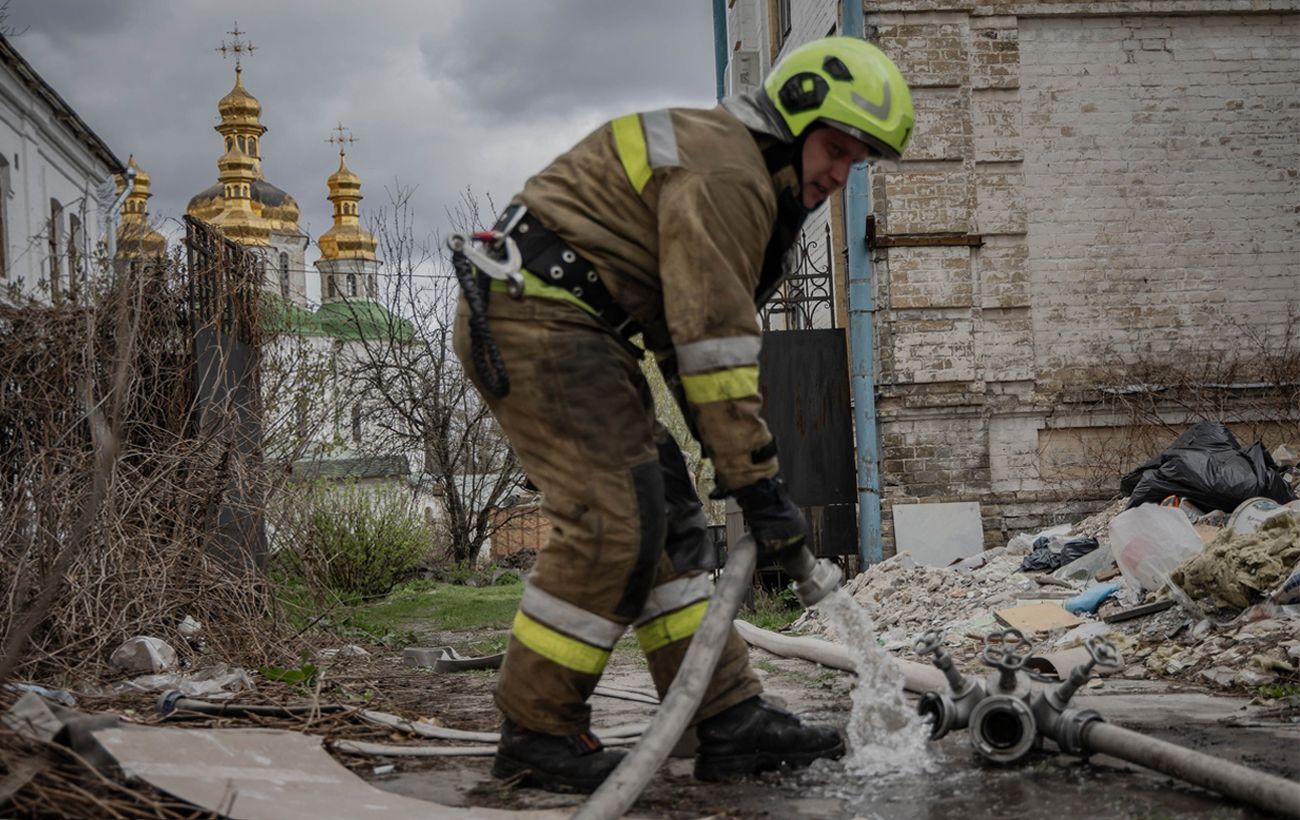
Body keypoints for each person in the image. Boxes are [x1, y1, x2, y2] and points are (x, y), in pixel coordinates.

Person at [453, 36, 914, 793]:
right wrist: (757, 484)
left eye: (856, 162)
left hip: (571, 321)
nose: (839, 174)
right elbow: (713, 344)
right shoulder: (728, 171)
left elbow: (682, 338)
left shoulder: (737, 166)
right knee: (614, 522)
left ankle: (724, 719)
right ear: (793, 125)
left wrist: (741, 475)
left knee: (669, 523)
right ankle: (536, 733)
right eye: (835, 149)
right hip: (539, 317)